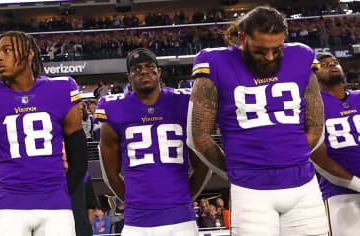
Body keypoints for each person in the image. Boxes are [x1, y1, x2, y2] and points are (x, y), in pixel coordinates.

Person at [187, 6, 328, 236]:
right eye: (261, 50)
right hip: (250, 189)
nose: (270, 57)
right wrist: (235, 169)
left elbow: (316, 124)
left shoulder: (301, 55)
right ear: (242, 38)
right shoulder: (215, 61)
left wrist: (292, 157)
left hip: (303, 185)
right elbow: (199, 137)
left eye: (277, 49)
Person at [0, 31, 88, 236]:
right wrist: (8, 197)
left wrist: (61, 193)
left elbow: (79, 159)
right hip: (9, 206)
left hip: (56, 206)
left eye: (7, 50)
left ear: (29, 54)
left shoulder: (62, 88)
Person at [97, 48, 210, 236]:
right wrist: (135, 201)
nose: (143, 71)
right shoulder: (113, 107)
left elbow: (203, 163)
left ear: (159, 72)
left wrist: (184, 199)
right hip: (137, 222)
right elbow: (110, 173)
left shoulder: (184, 101)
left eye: (149, 67)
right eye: (136, 69)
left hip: (181, 218)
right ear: (128, 76)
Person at [311, 52, 360, 236]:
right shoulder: (311, 106)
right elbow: (316, 154)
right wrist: (357, 184)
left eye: (335, 62)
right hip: (341, 193)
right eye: (325, 64)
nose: (332, 65)